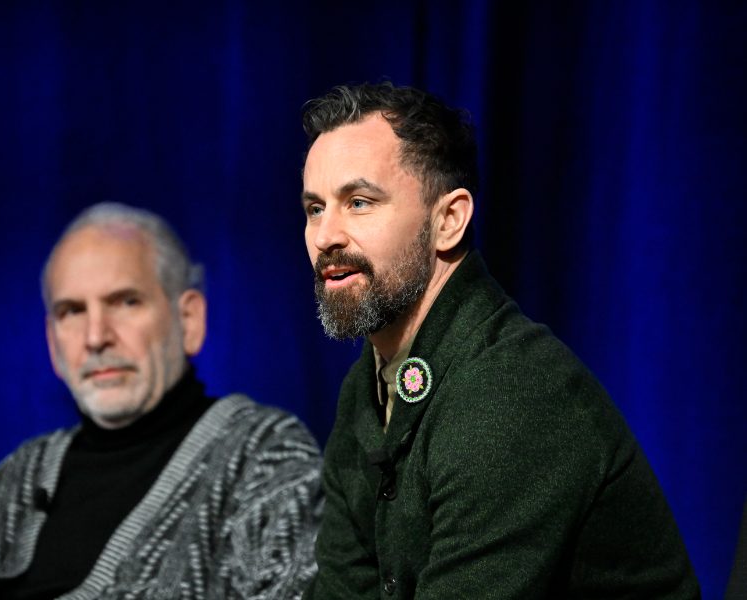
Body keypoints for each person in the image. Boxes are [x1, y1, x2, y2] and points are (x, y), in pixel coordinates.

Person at [299, 82, 699, 598]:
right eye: (315, 208)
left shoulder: (513, 390)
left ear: (449, 221)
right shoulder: (366, 385)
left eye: (358, 202)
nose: (325, 236)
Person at [0, 202, 322, 599]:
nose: (96, 337)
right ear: (52, 343)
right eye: (72, 312)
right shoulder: (25, 473)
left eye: (125, 302)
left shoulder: (260, 454)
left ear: (189, 320)